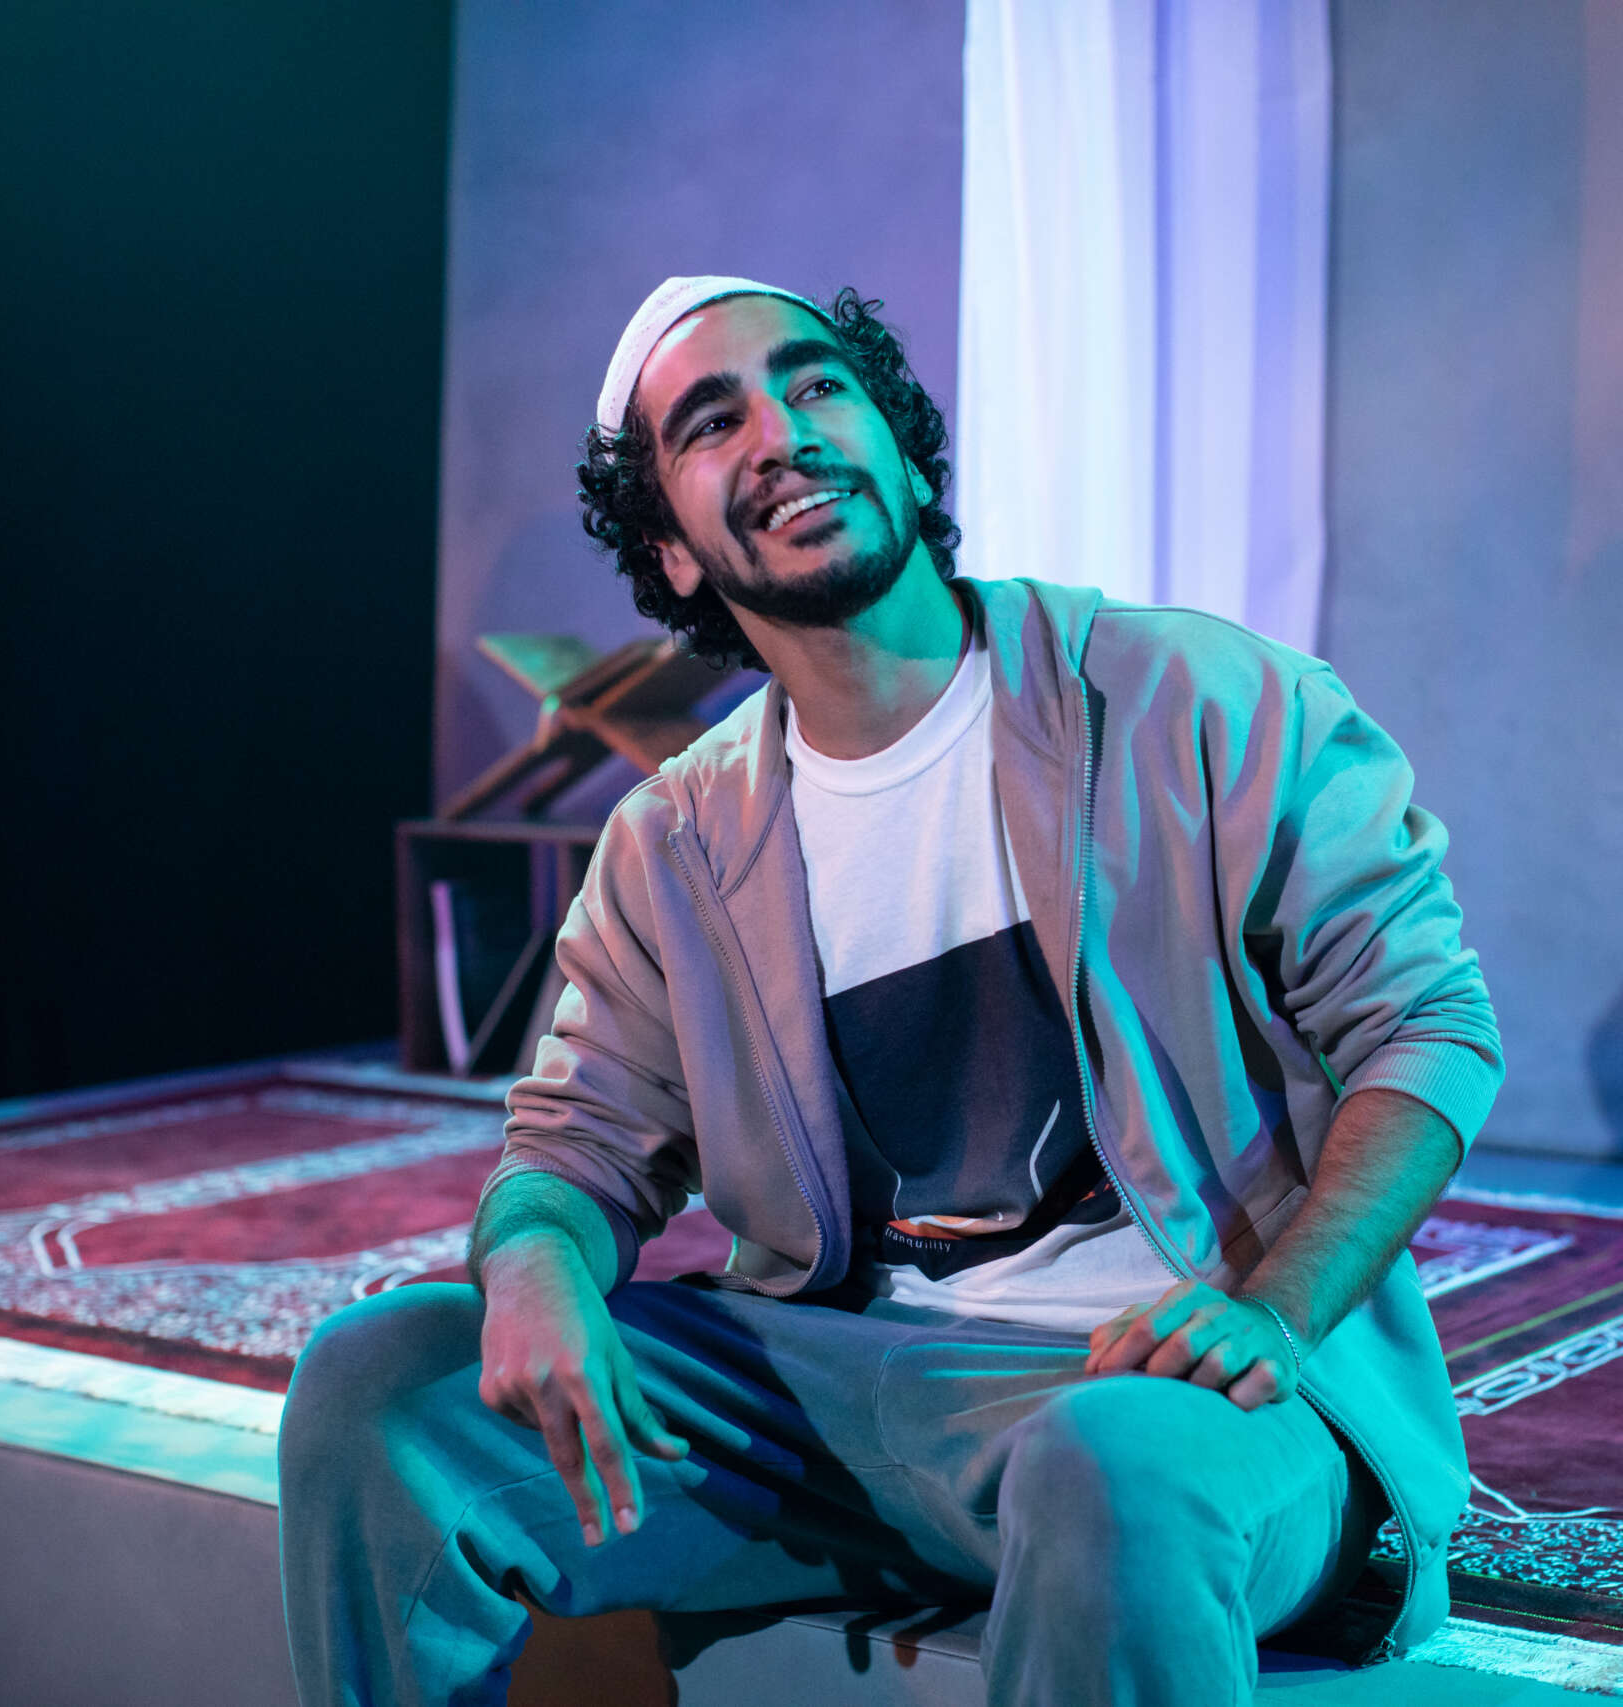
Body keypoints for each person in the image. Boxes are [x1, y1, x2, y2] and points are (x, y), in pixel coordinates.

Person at [278, 276, 1503, 1707]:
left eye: (816, 387)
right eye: (713, 423)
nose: (782, 435)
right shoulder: (675, 840)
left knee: (1105, 1461)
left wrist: (1280, 1309)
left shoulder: (1199, 700)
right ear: (673, 551)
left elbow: (1428, 1032)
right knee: (380, 1384)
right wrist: (536, 1253)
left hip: (1182, 1397)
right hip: (834, 1396)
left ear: (906, 451)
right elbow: (579, 1141)